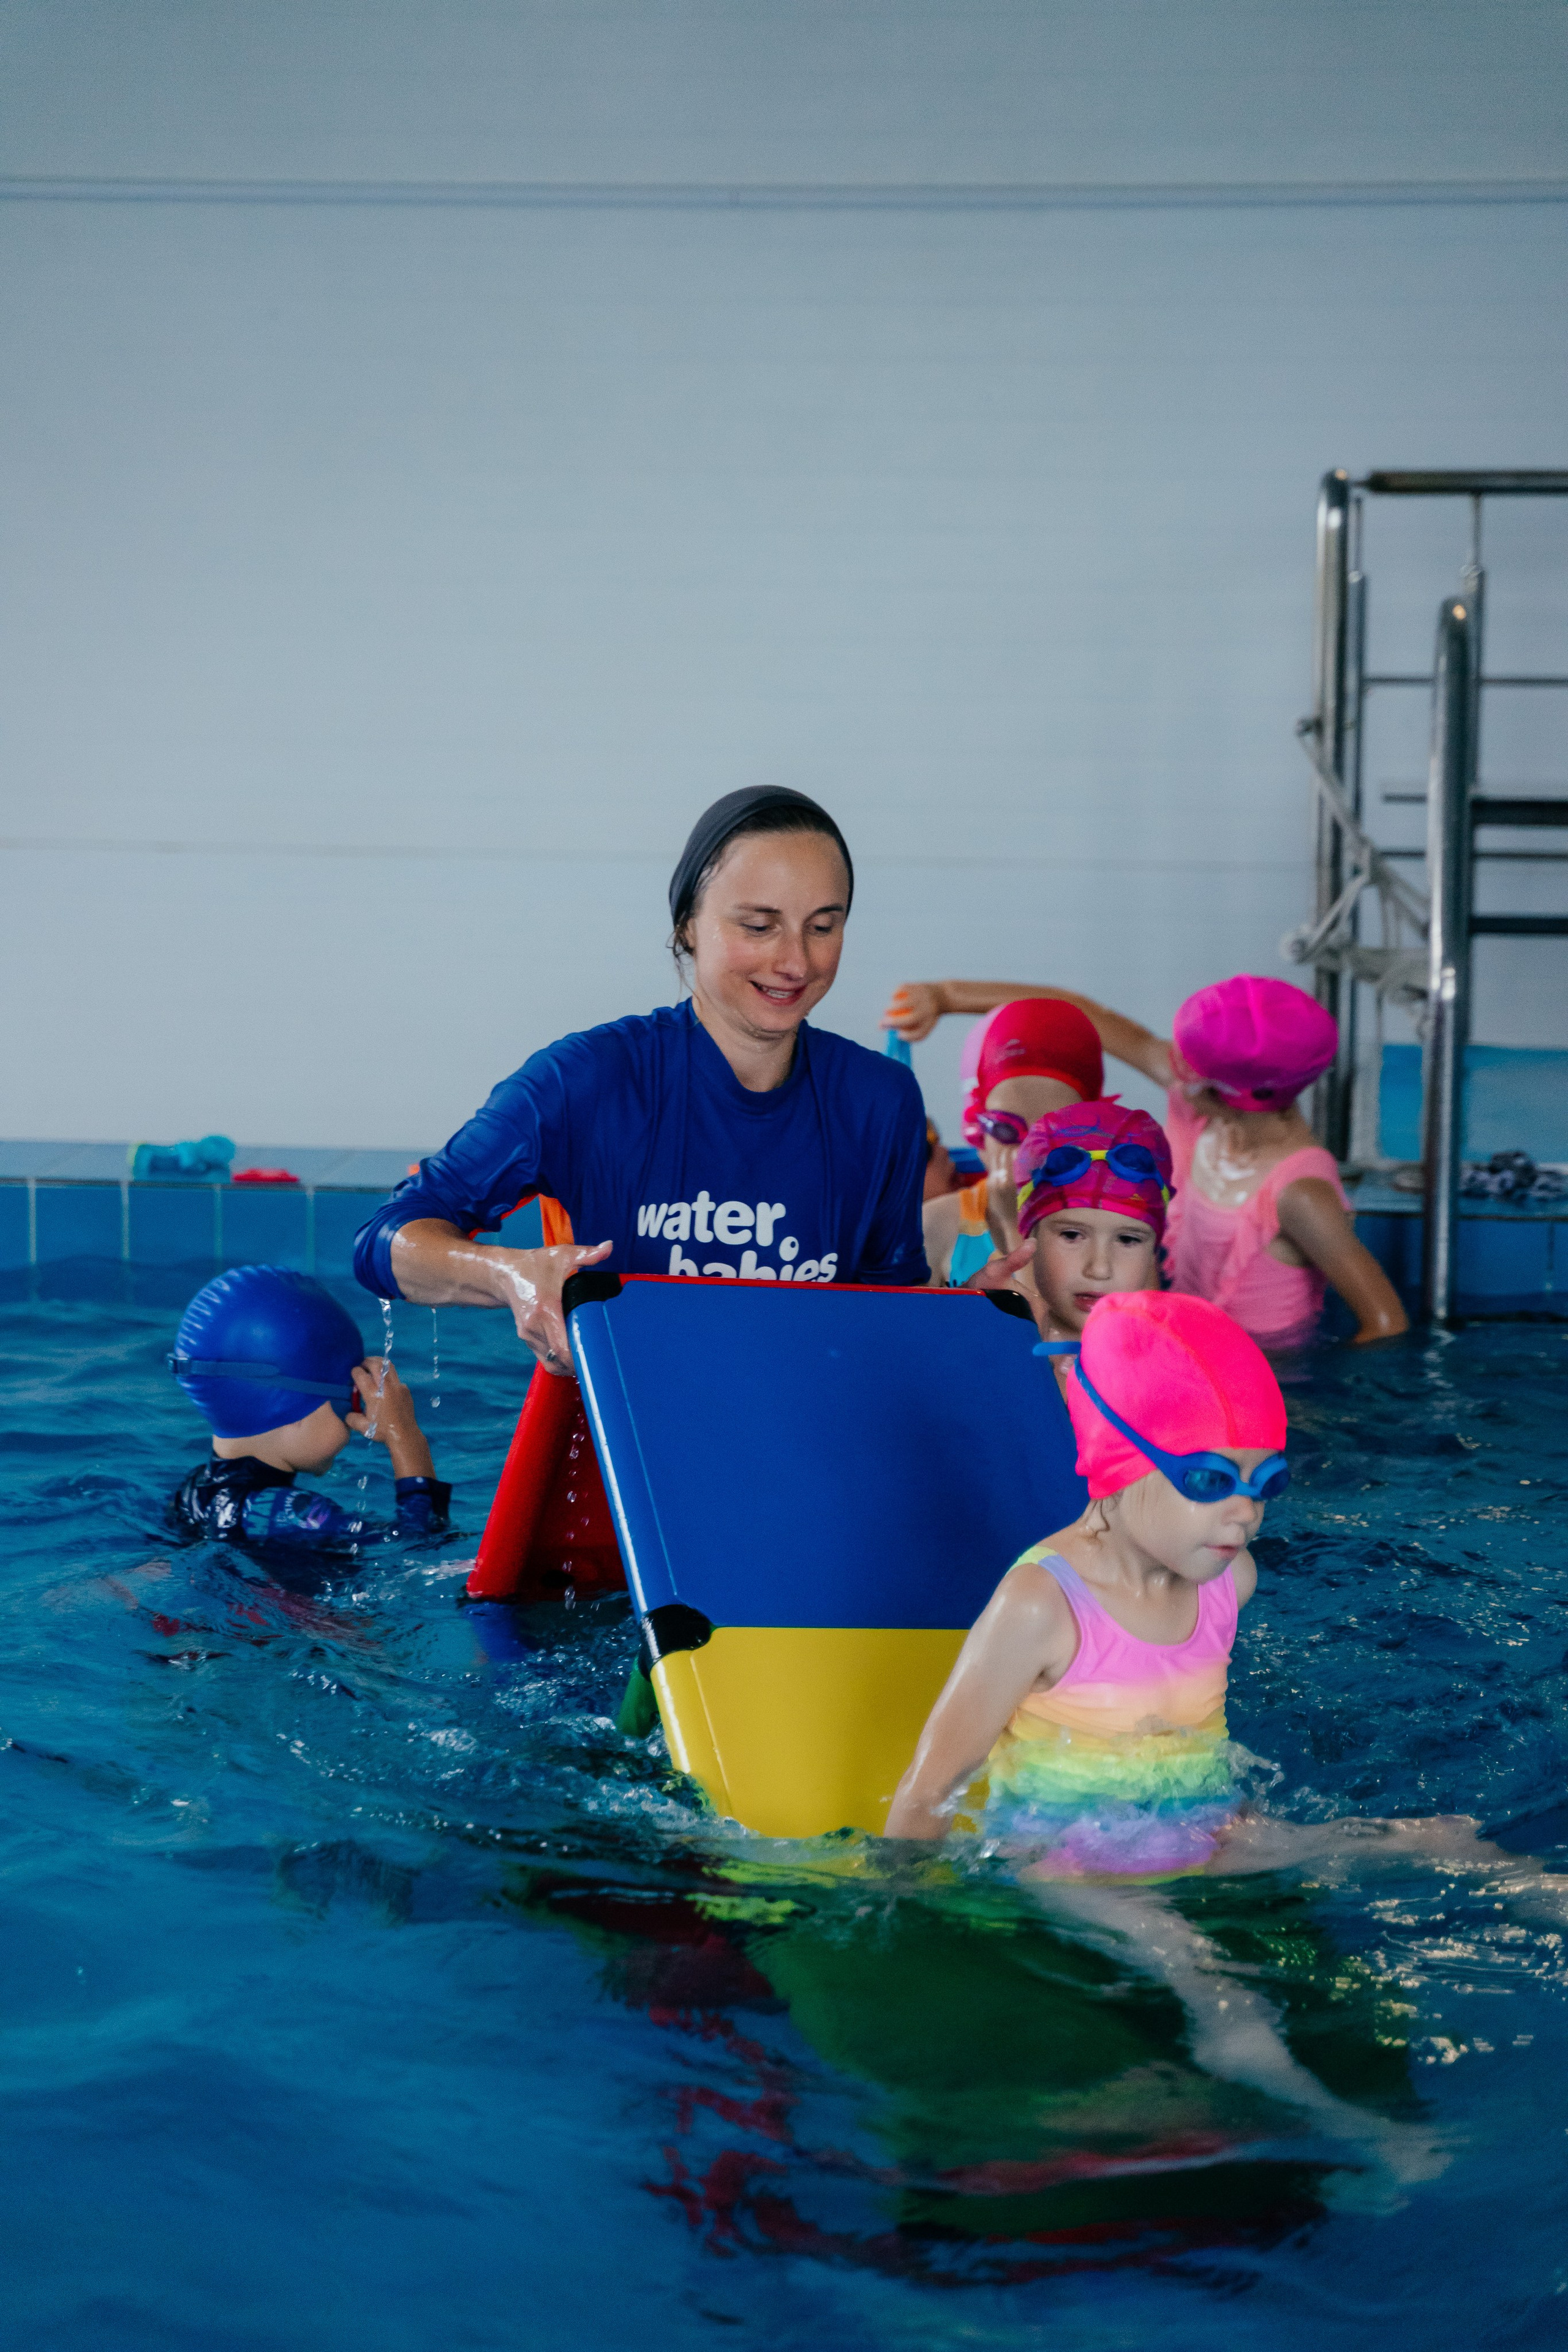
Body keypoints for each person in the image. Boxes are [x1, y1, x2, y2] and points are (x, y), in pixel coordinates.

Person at [882, 1291, 1466, 2188]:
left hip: (1207, 1831)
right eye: (1209, 1483)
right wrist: (905, 1919)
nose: (1245, 1516)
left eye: (1265, 1482)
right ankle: (1355, 2134)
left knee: (1436, 1841)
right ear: (1115, 1468)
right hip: (1072, 1861)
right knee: (1214, 1985)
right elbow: (928, 1788)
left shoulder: (1231, 1584)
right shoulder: (1042, 1605)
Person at [356, 790, 929, 1370]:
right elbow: (384, 1241)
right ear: (688, 928)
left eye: (823, 928)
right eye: (759, 926)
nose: (797, 962)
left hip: (804, 1431)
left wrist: (969, 1317)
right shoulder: (588, 1081)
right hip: (629, 1442)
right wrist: (511, 1275)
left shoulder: (880, 1101)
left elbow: (892, 1314)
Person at [885, 970, 1406, 1348]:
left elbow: (1386, 1322)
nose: (1169, 1065)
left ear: (1234, 1093)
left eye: (1186, 1064)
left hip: (1267, 1368)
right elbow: (1082, 1014)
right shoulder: (1200, 1108)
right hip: (1170, 1336)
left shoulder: (1299, 1194)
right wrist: (948, 996)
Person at [168, 1266, 450, 1553]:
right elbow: (416, 1544)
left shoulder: (192, 1490)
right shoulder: (293, 1512)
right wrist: (405, 1436)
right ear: (290, 1408)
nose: (355, 1422)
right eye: (352, 1402)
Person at [921, 998, 1104, 1287]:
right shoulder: (936, 1225)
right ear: (976, 1132)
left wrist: (1015, 1227)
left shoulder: (1116, 1229)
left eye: (1055, 1134)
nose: (1027, 1156)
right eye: (1006, 1130)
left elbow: (1052, 1332)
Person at [987, 1101, 1172, 1370]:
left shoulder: (1179, 1370)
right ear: (1029, 1237)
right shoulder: (992, 1355)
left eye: (1128, 1239)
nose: (1099, 1269)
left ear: (1154, 1248)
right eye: (1072, 1235)